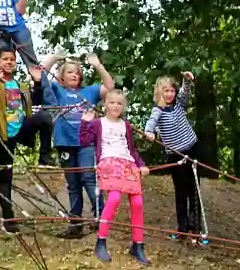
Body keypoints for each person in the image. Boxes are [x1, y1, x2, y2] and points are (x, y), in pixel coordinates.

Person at [0, 48, 55, 233]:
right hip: (4, 133)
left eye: (12, 59)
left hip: (21, 127)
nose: (9, 62)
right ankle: (9, 219)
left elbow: (36, 101)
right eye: (5, 59)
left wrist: (38, 81)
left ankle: (45, 157)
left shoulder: (18, 84)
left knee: (45, 117)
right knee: (6, 175)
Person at [36, 53, 113, 237]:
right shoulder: (56, 90)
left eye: (77, 72)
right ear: (62, 75)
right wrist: (55, 57)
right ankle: (75, 223)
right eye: (70, 72)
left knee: (88, 177)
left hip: (85, 143)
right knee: (73, 183)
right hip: (64, 142)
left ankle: (100, 218)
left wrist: (97, 66)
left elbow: (110, 87)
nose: (74, 75)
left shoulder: (89, 92)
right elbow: (40, 74)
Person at [80, 90, 151, 265]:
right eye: (112, 102)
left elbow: (132, 149)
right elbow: (84, 141)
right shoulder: (98, 123)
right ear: (105, 104)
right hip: (109, 162)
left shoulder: (125, 124)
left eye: (119, 103)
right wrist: (84, 122)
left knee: (138, 203)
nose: (115, 106)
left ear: (123, 106)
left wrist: (141, 164)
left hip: (128, 163)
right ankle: (101, 241)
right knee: (114, 199)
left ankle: (137, 245)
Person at [144, 71, 204, 242]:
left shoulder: (178, 104)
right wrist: (149, 131)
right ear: (159, 92)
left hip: (192, 148)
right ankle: (182, 228)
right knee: (181, 191)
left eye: (172, 90)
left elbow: (185, 92)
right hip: (175, 155)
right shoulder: (157, 110)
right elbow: (151, 122)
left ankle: (196, 229)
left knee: (194, 189)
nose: (170, 94)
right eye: (166, 91)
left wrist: (186, 80)